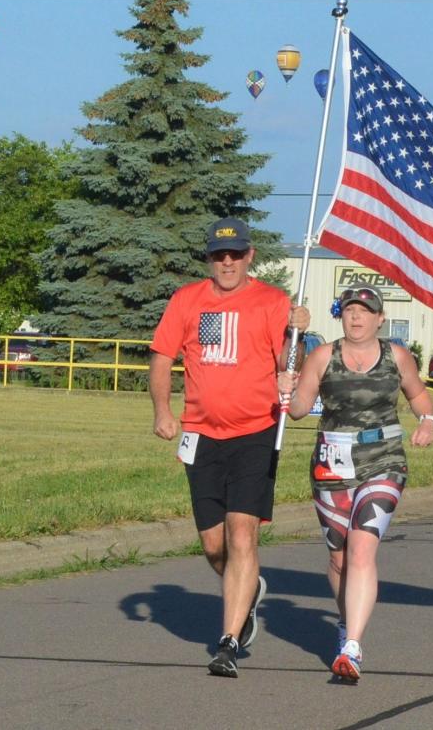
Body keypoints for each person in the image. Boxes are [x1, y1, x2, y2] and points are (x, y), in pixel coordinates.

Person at [149, 216, 310, 678]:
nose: (227, 263)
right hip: (200, 434)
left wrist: (298, 332)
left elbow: (289, 363)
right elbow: (162, 359)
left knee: (243, 533)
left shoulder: (271, 301)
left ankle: (228, 641)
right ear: (209, 259)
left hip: (256, 432)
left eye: (235, 254)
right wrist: (163, 412)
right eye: (219, 255)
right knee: (214, 546)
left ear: (249, 256)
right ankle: (248, 591)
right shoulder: (188, 301)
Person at [277, 285, 433, 681]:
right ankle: (347, 623)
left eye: (365, 311)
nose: (357, 317)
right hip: (332, 464)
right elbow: (297, 410)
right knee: (340, 558)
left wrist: (428, 421)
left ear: (380, 319)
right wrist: (285, 389)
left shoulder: (396, 357)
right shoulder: (321, 356)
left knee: (363, 548)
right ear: (341, 315)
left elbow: (418, 395)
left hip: (383, 460)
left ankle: (352, 645)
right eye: (350, 310)